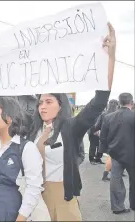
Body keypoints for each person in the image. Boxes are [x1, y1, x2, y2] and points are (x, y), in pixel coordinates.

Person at [26, 22, 116, 221]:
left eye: (49, 102)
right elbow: (7, 101)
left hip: (63, 196)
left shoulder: (71, 127)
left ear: (61, 104)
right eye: (40, 102)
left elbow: (100, 101)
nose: (42, 106)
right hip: (34, 196)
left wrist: (110, 57)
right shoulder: (34, 128)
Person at [99, 93, 134, 214]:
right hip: (132, 154)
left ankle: (117, 206)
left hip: (115, 153)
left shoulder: (108, 117)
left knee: (116, 180)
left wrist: (105, 150)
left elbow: (103, 137)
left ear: (119, 102)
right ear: (132, 102)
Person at [93, 99, 119, 181]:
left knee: (110, 156)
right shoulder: (119, 115)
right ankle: (108, 173)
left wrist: (97, 131)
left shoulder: (104, 114)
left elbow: (97, 126)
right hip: (117, 138)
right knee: (113, 157)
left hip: (106, 138)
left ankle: (108, 172)